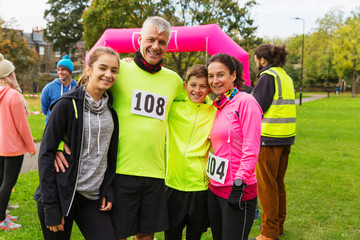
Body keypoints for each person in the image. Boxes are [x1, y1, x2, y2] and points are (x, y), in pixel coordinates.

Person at [54, 16, 186, 240]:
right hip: (120, 171)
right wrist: (59, 142)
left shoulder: (173, 80)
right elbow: (79, 100)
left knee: (146, 235)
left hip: (155, 172)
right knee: (118, 235)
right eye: (151, 39)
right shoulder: (119, 71)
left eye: (162, 42)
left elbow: (193, 105)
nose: (156, 46)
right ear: (140, 39)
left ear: (168, 45)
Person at [34, 47, 120, 240]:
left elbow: (108, 156)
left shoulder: (111, 110)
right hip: (62, 195)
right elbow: (46, 154)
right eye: (103, 68)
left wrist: (107, 189)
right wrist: (51, 207)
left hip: (92, 198)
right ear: (89, 69)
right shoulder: (66, 104)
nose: (108, 74)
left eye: (114, 70)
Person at [206, 53, 262, 240]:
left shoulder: (246, 102)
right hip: (215, 188)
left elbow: (251, 147)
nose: (215, 80)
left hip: (237, 189)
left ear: (233, 75)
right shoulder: (218, 104)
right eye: (211, 76)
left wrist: (239, 184)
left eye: (220, 75)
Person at [250, 44, 296, 240]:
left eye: (255, 59)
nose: (255, 63)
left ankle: (268, 233)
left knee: (266, 186)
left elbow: (256, 106)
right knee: (277, 184)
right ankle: (278, 226)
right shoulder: (284, 76)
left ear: (262, 59)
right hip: (286, 137)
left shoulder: (267, 77)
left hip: (269, 139)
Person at [165, 65, 216, 240]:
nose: (197, 90)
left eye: (203, 86)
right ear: (185, 86)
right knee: (172, 233)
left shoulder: (215, 112)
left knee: (195, 234)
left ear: (209, 88)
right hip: (172, 184)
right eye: (193, 85)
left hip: (200, 187)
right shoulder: (173, 108)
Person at [0, 53, 37, 230]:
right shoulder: (13, 96)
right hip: (13, 147)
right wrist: (31, 147)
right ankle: (1, 220)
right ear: (8, 75)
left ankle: (2, 214)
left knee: (1, 182)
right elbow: (22, 126)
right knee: (8, 183)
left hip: (1, 145)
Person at [41, 54, 77, 124]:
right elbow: (44, 109)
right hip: (52, 127)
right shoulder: (49, 88)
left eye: (63, 70)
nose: (60, 72)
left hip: (71, 127)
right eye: (58, 70)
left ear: (69, 71)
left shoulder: (77, 88)